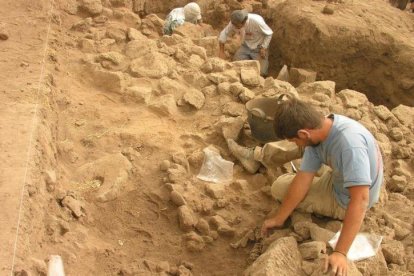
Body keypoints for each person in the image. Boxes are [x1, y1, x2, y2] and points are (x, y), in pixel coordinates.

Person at [227, 96, 383, 276]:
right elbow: (302, 179)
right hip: (341, 175)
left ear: (304, 134)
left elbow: (361, 199)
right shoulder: (327, 126)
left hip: (346, 198)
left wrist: (340, 253)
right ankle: (259, 156)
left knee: (279, 187)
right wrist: (279, 218)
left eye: (295, 140)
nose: (296, 145)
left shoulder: (349, 146)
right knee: (295, 175)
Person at [218, 10, 273, 76]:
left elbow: (269, 33)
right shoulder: (234, 23)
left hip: (259, 47)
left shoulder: (256, 21)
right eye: (234, 25)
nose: (235, 27)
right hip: (246, 46)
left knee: (261, 73)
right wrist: (221, 51)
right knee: (235, 65)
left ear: (243, 22)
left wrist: (264, 47)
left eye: (237, 26)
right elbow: (224, 33)